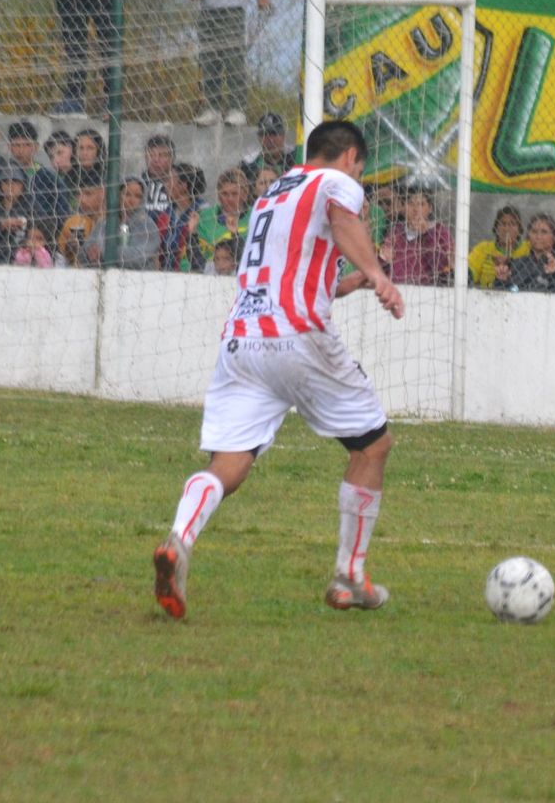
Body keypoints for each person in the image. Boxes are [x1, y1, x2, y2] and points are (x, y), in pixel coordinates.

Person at [152, 120, 405, 619]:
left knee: (228, 464)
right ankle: (349, 576)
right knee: (372, 445)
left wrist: (352, 283)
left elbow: (300, 272)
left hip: (243, 339)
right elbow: (342, 218)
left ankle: (178, 541)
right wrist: (377, 273)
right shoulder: (335, 184)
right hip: (299, 336)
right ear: (351, 156)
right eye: (361, 166)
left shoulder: (272, 195)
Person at [379, 185, 453, 285]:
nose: (415, 209)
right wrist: (384, 258)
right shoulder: (396, 230)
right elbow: (382, 267)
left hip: (426, 291)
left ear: (430, 208)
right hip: (396, 288)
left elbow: (440, 267)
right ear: (404, 207)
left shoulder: (440, 231)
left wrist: (426, 234)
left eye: (421, 204)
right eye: (410, 203)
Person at [192, 168, 251, 270]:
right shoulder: (205, 218)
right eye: (225, 194)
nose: (230, 199)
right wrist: (192, 232)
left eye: (234, 194)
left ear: (245, 195)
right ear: (218, 195)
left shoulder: (255, 216)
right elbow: (193, 259)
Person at [468, 205, 530, 289]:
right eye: (503, 224)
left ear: (519, 229)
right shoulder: (484, 248)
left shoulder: (527, 247)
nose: (507, 228)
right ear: (496, 228)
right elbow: (471, 269)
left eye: (512, 224)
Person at [107, 177, 163, 270]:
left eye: (137, 196)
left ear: (143, 199)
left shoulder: (147, 225)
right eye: (127, 194)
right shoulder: (107, 221)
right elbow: (86, 251)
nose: (131, 200)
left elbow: (137, 258)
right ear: (118, 195)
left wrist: (108, 251)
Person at [161, 162, 207, 271]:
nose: (165, 185)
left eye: (169, 180)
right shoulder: (169, 211)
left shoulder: (202, 211)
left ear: (183, 185)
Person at [509, 213, 555, 292]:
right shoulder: (520, 263)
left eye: (544, 232)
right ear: (528, 236)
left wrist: (551, 274)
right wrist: (500, 279)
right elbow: (509, 288)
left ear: (554, 236)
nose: (538, 236)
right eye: (534, 232)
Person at [58, 168, 106, 266]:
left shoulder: (114, 221)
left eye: (88, 194)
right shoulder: (72, 222)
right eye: (78, 194)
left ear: (102, 193)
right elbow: (63, 256)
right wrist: (70, 250)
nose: (82, 200)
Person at [240, 112, 296, 179]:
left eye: (274, 134)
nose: (270, 140)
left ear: (283, 136)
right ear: (259, 138)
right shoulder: (249, 164)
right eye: (265, 134)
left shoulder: (295, 157)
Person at [141, 134, 175, 218]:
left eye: (162, 155)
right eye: (151, 154)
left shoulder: (179, 185)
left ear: (172, 158)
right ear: (145, 157)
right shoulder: (137, 184)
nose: (155, 160)